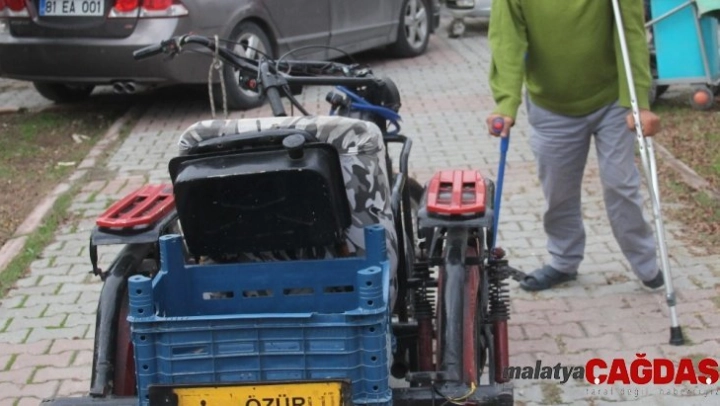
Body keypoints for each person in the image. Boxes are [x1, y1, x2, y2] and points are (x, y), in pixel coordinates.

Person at [486, 0, 664, 291]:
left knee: (620, 184)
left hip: (613, 101)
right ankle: (563, 262)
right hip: (550, 104)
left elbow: (631, 33)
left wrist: (639, 102)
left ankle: (647, 265)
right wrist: (506, 102)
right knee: (559, 192)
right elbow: (507, 41)